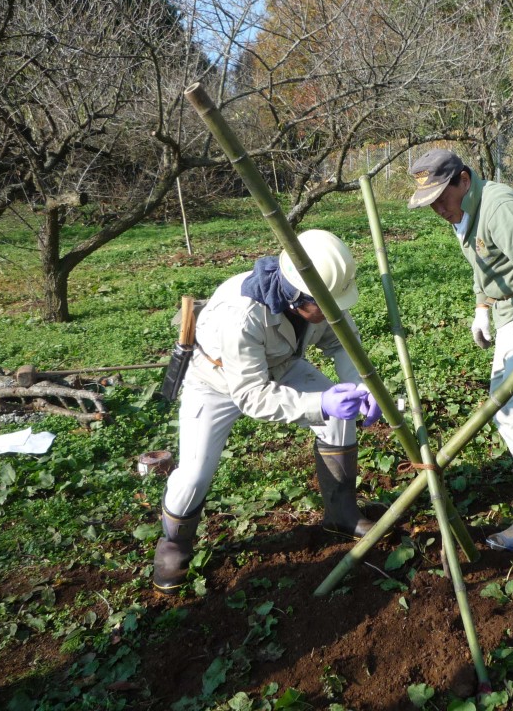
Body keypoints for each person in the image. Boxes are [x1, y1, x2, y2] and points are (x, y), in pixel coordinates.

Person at [153, 229, 382, 593]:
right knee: (194, 474)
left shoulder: (317, 300)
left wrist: (361, 385)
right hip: (216, 381)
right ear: (297, 298)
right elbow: (251, 395)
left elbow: (343, 343)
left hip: (282, 364)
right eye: (327, 304)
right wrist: (319, 403)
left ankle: (341, 512)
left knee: (340, 421)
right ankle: (174, 544)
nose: (334, 311)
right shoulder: (241, 315)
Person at [407, 149, 513, 552]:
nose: (438, 209)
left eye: (442, 197)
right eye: (430, 203)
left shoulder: (498, 206)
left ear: (464, 179)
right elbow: (484, 265)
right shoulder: (464, 209)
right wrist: (482, 307)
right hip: (505, 311)